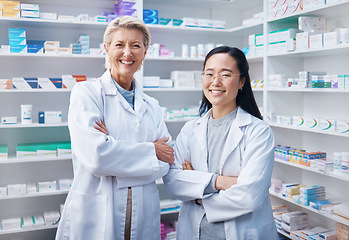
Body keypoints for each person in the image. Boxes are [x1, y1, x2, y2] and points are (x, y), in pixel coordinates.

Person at [55, 16, 174, 240]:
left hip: (143, 213)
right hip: (98, 213)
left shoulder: (153, 106)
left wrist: (116, 149)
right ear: (107, 49)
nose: (127, 53)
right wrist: (151, 151)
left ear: (145, 53)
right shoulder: (86, 94)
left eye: (136, 46)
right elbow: (97, 158)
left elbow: (164, 164)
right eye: (119, 45)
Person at [163, 46, 278, 240]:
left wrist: (199, 194)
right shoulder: (191, 129)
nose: (215, 82)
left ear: (242, 81)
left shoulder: (258, 131)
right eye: (209, 74)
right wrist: (220, 182)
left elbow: (249, 196)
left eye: (225, 75)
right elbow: (173, 181)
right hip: (195, 233)